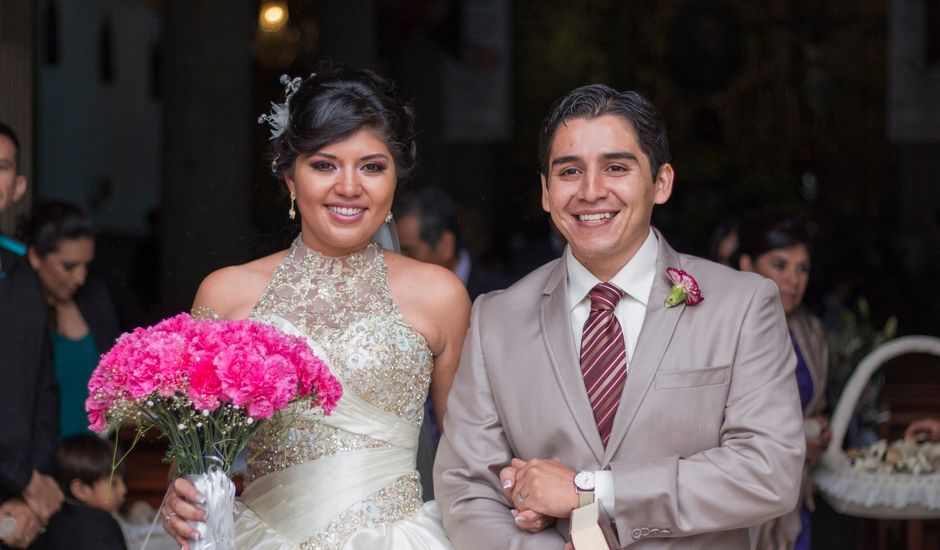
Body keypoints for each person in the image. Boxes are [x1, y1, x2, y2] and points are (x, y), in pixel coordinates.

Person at [433, 85, 805, 549]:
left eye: (615, 168)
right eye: (570, 171)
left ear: (661, 182)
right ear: (546, 192)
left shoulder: (742, 304)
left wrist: (591, 491)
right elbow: (466, 489)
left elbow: (770, 470)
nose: (591, 191)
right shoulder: (496, 319)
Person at [161, 65, 470, 549]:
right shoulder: (226, 295)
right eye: (325, 165)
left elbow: (466, 459)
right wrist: (181, 500)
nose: (349, 187)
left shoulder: (441, 295)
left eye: (371, 166)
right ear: (290, 177)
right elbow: (197, 464)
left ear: (395, 181)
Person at [736, 214, 831, 550]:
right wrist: (789, 443)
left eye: (802, 269)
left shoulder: (810, 333)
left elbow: (810, 403)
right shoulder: (726, 331)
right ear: (747, 264)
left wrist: (818, 426)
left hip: (795, 495)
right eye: (780, 264)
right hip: (742, 501)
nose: (793, 279)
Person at [0, 122, 64, 550]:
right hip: (14, 478)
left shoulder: (23, 274)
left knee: (95, 533)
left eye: (1, 166)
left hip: (23, 481)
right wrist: (23, 481)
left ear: (17, 186)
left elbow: (45, 386)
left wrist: (36, 481)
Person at [23, 202, 121, 438]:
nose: (80, 277)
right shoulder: (21, 311)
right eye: (69, 266)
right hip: (39, 464)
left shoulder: (95, 297)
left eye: (86, 265)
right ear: (36, 256)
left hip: (96, 460)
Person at [396, 188, 511, 300]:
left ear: (446, 245)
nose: (400, 260)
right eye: (398, 251)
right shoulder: (402, 292)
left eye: (409, 252)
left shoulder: (497, 296)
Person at [31, 435, 127, 550]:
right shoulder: (99, 529)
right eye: (113, 483)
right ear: (80, 490)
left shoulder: (57, 518)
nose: (123, 489)